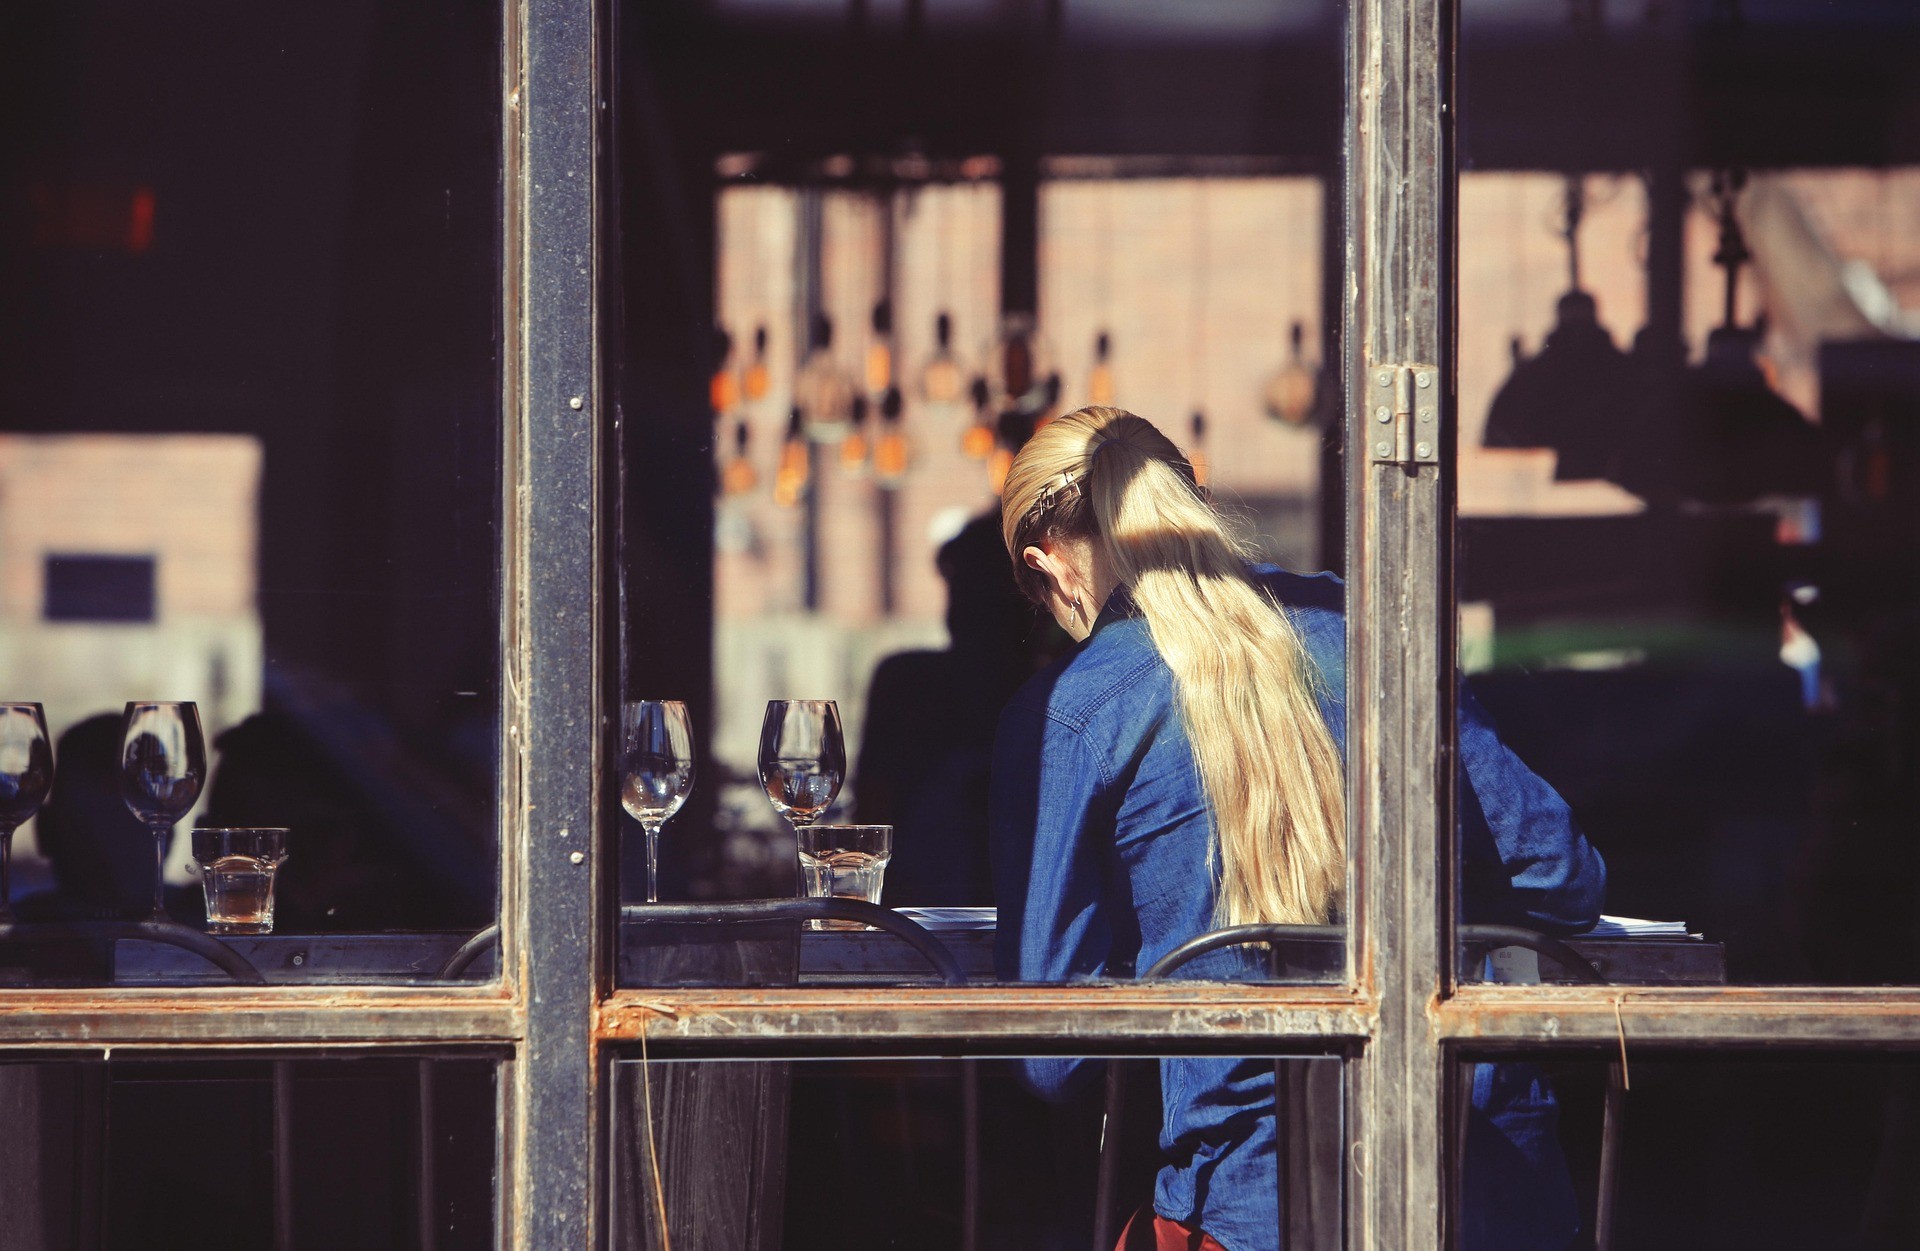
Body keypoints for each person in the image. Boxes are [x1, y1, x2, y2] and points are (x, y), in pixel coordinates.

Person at [990, 406, 1607, 1251]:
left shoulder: (1074, 709)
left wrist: (1172, 940)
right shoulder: (1362, 627)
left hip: (1254, 1206)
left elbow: (1053, 1059)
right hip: (1491, 1192)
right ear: (1190, 493)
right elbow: (1563, 876)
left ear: (1047, 565)